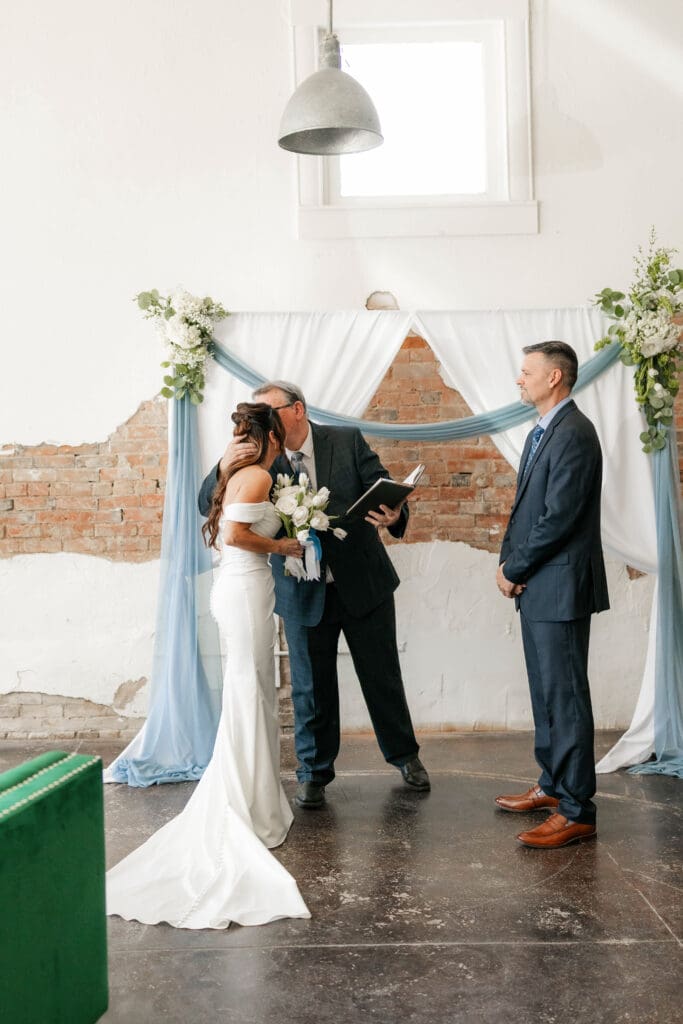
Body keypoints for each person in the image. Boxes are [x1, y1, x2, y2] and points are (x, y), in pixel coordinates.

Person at [106, 403, 310, 928]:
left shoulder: (241, 473)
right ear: (269, 436)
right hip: (244, 588)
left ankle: (259, 798)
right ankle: (245, 804)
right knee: (249, 688)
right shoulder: (259, 474)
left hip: (242, 587)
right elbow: (238, 537)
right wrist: (286, 543)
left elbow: (226, 529)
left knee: (255, 688)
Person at [199, 381, 430, 810]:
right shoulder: (256, 457)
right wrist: (221, 466)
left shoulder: (345, 439)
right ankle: (313, 774)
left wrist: (397, 514)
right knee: (310, 689)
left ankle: (405, 756)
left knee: (382, 677)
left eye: (271, 412)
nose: (264, 422)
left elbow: (383, 486)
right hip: (301, 591)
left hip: (364, 584)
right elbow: (208, 504)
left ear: (298, 409)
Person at [495, 341, 609, 849]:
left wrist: (515, 567)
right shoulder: (545, 429)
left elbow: (558, 517)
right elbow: (526, 510)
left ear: (554, 378)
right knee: (546, 692)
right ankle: (553, 785)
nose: (520, 381)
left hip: (558, 583)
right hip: (539, 583)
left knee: (564, 696)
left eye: (526, 373)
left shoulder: (575, 433)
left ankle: (577, 808)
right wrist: (510, 566)